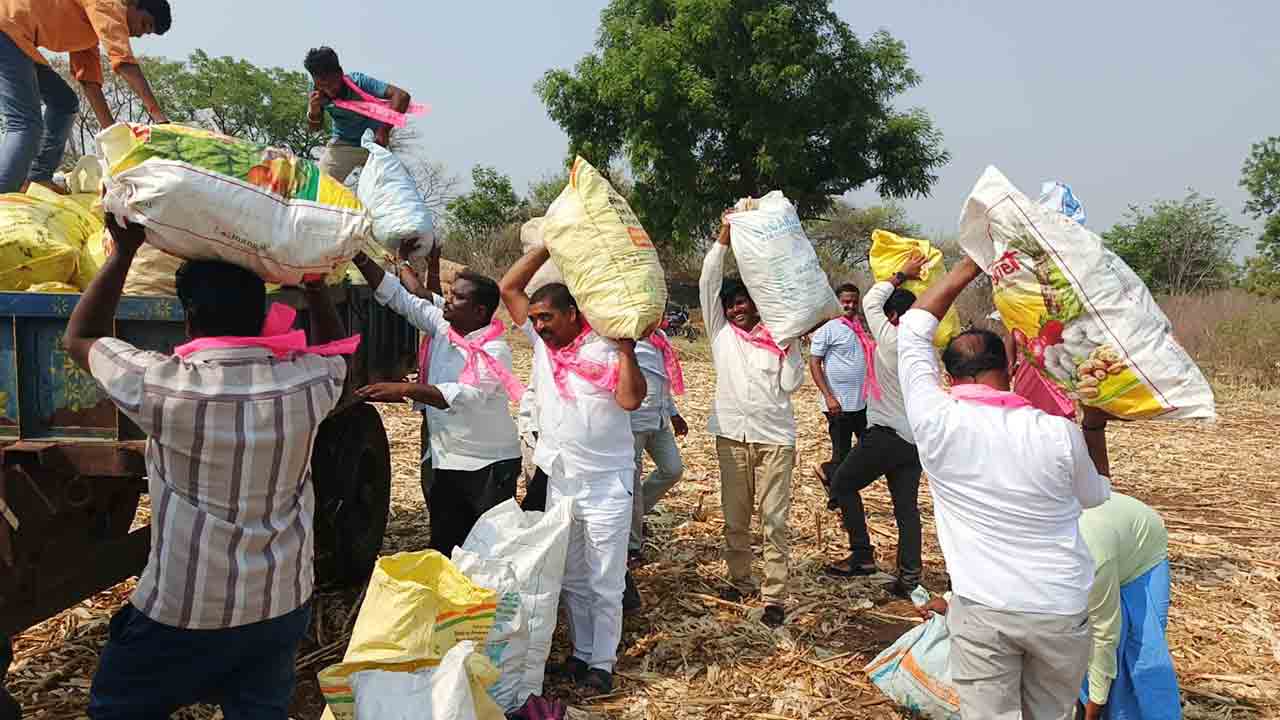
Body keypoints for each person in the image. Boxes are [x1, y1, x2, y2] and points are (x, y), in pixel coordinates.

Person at [66, 218, 352, 719]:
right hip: (279, 603)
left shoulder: (165, 387)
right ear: (262, 315)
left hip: (183, 612)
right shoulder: (307, 383)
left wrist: (124, 250)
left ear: (190, 316)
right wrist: (314, 280)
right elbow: (336, 353)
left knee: (118, 708)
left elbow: (82, 337)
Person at [899, 255, 1112, 720]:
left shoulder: (934, 420)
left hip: (985, 609)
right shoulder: (1058, 433)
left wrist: (969, 264)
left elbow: (914, 328)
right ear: (1010, 367)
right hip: (1059, 607)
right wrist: (1093, 429)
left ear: (948, 375)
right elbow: (1096, 496)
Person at [499, 247, 646, 694]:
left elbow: (630, 399)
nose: (539, 326)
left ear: (573, 314)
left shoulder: (605, 348)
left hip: (606, 483)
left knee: (605, 579)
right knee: (573, 578)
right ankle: (581, 656)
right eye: (536, 319)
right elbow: (508, 287)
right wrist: (549, 241)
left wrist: (626, 351)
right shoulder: (544, 348)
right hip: (562, 480)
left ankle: (602, 663)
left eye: (548, 318)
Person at [351, 243, 523, 556]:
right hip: (448, 460)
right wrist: (360, 257)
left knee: (491, 549)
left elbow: (465, 395)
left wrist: (404, 389)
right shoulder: (445, 326)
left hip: (488, 468)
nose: (446, 300)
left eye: (457, 297)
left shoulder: (495, 351)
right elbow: (399, 297)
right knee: (447, 544)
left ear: (479, 312)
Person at [701, 212, 805, 628]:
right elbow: (709, 279)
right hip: (730, 436)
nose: (736, 309)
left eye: (742, 302)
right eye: (730, 304)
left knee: (774, 518)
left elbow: (791, 384)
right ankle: (740, 579)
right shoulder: (720, 334)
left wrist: (792, 343)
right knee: (734, 516)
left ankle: (775, 595)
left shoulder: (778, 339)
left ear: (756, 304)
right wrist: (723, 237)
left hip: (775, 439)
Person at [815, 255, 928, 595]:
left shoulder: (893, 337)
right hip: (914, 441)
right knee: (906, 508)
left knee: (841, 484)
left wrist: (900, 275)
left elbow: (871, 300)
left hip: (885, 435)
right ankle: (909, 578)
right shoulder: (924, 348)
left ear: (893, 316)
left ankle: (862, 555)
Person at [0, 0, 172, 193]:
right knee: (26, 124)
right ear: (133, 5)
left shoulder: (89, 29)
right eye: (144, 24)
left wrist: (112, 136)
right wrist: (160, 119)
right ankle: (3, 197)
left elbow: (89, 80)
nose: (140, 34)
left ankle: (38, 178)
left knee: (64, 103)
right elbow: (124, 62)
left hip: (20, 42)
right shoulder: (108, 3)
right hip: (6, 30)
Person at [1077, 493, 1179, 720]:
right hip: (1109, 538)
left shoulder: (1093, 559)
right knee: (1078, 646)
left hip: (1142, 552)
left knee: (1143, 649)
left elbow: (1103, 634)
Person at [304, 46, 412, 183]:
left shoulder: (359, 82)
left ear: (340, 73)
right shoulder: (315, 93)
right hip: (343, 145)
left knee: (394, 188)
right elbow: (315, 129)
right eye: (322, 85)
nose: (328, 90)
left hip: (375, 144)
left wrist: (384, 130)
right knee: (318, 185)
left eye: (331, 84)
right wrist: (314, 110)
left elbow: (402, 96)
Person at [628, 329, 688, 563]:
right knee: (631, 483)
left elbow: (661, 381)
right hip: (633, 421)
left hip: (660, 418)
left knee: (672, 470)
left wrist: (674, 414)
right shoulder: (625, 338)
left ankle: (633, 516)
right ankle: (632, 546)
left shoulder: (659, 336)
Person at [809, 283, 872, 465]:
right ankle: (831, 481)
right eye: (846, 302)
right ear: (837, 302)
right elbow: (814, 362)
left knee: (867, 448)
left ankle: (845, 485)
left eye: (854, 302)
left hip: (860, 403)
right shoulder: (828, 328)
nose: (850, 306)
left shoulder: (859, 326)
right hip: (839, 405)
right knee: (841, 453)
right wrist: (829, 397)